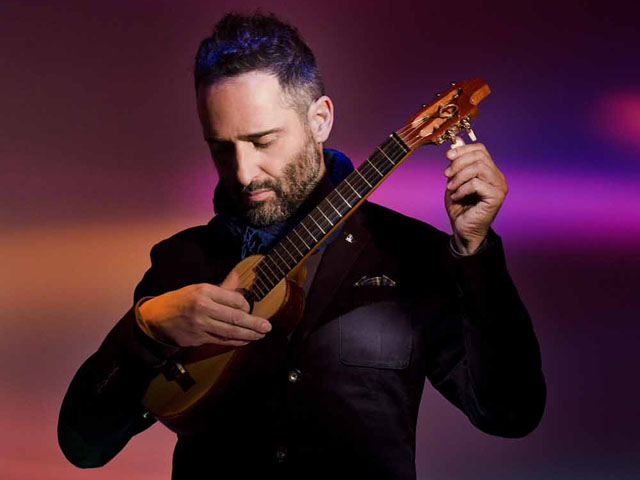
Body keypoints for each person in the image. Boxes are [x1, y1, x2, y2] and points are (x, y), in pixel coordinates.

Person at [58, 12, 545, 479]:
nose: (243, 172)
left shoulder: (410, 254)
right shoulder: (182, 261)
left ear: (320, 120)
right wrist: (146, 330)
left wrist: (476, 253)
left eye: (262, 141)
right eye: (221, 147)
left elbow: (510, 412)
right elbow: (85, 445)